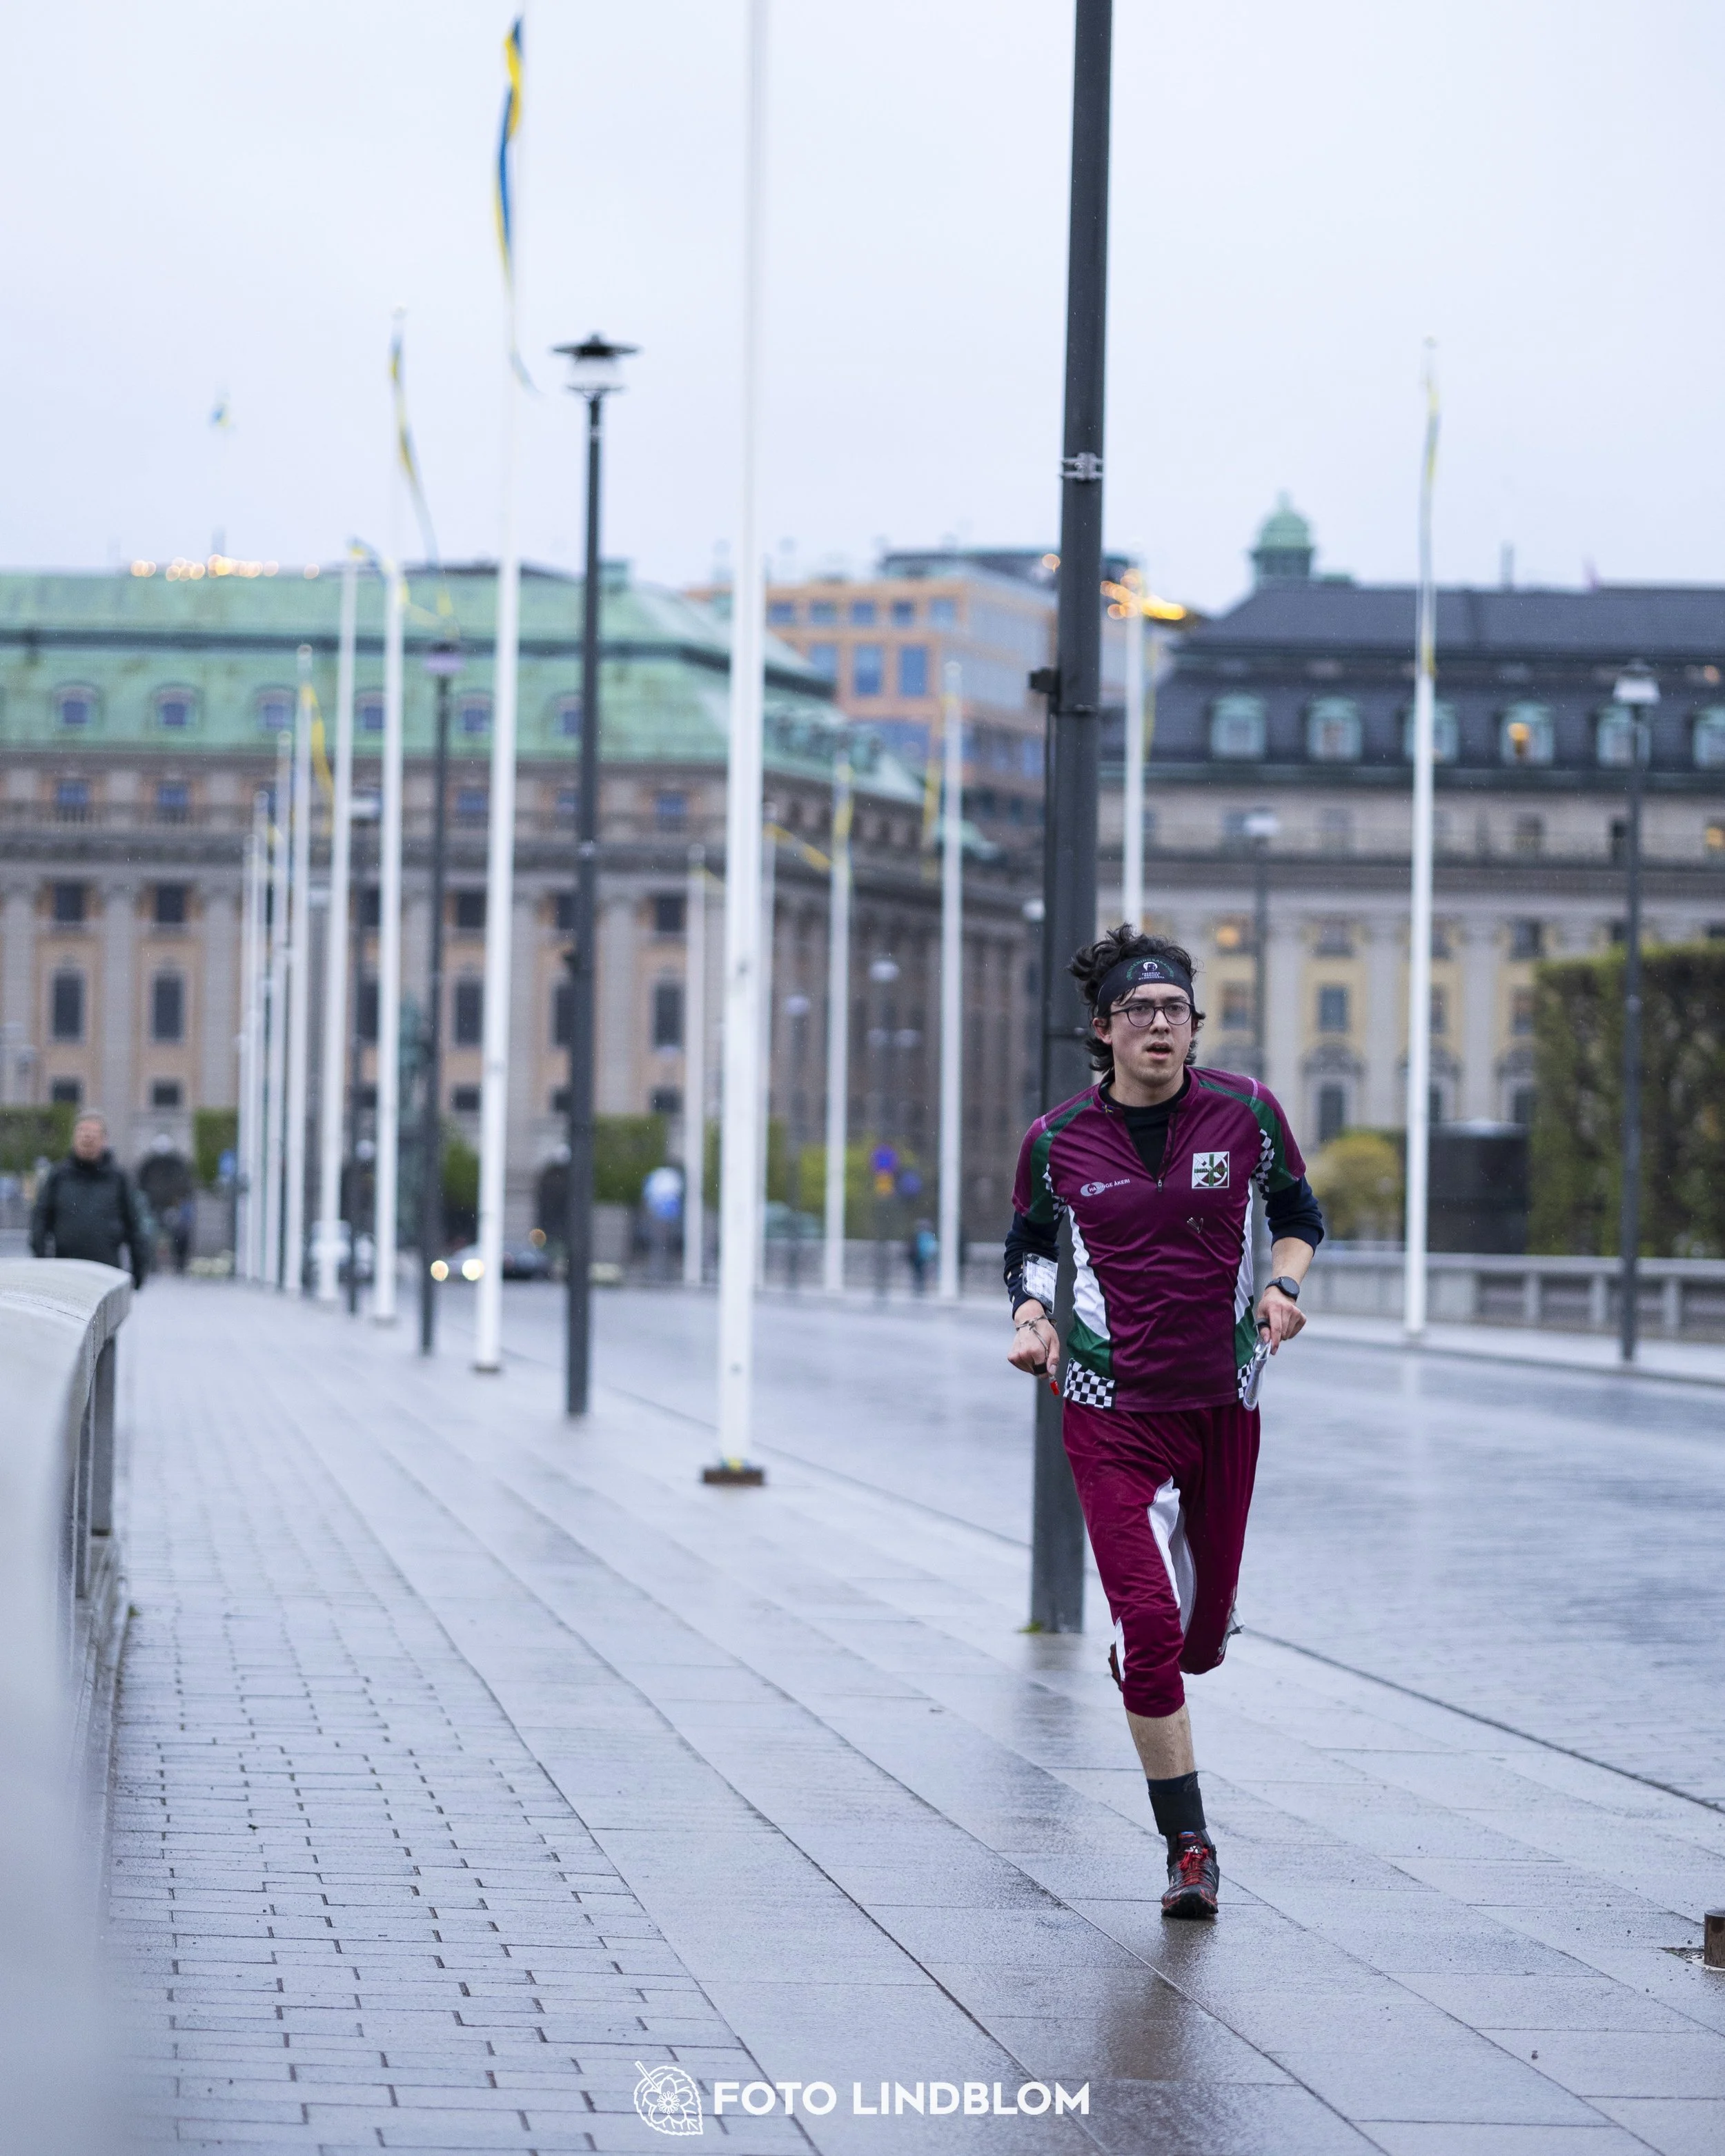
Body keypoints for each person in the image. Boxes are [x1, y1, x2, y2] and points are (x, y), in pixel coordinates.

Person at [1004, 927, 1323, 1919]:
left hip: (1222, 1400)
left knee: (1198, 1641)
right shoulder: (1057, 1139)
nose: (1158, 1024)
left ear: (1193, 1025)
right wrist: (1031, 1314)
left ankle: (1174, 1639)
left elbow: (1299, 1214)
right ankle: (1189, 1845)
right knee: (1148, 1630)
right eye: (1137, 1010)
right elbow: (1029, 1245)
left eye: (1174, 1009)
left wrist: (1281, 1286)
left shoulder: (1247, 1112)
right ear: (1103, 1029)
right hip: (1108, 1407)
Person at [30, 1110, 151, 1287]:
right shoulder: (58, 1176)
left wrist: (138, 1273)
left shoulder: (119, 1179)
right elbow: (40, 1219)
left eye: (93, 1134)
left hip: (107, 1274)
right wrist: (42, 1261)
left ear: (104, 1140)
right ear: (74, 1137)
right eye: (83, 1133)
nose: (87, 1138)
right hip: (64, 1273)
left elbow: (134, 1226)